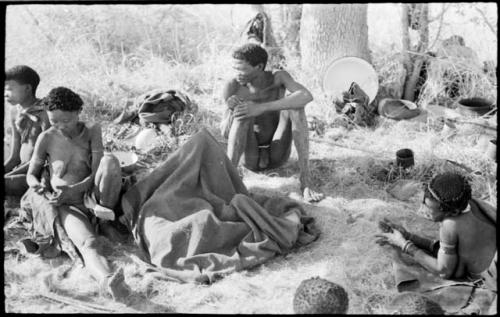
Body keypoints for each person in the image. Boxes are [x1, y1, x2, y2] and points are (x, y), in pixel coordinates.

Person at [22, 87, 130, 301]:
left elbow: (96, 170)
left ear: (79, 112)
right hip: (67, 204)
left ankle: (106, 220)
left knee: (110, 161)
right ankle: (108, 281)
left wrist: (78, 188)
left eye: (67, 121)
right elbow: (30, 175)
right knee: (89, 244)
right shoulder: (47, 138)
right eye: (54, 122)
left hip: (95, 195)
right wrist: (37, 186)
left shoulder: (92, 130)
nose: (61, 127)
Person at [220, 43, 323, 202]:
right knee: (243, 111)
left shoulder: (278, 77)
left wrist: (262, 107)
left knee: (296, 107)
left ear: (259, 67)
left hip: (277, 151)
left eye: (242, 69)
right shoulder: (232, 86)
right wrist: (230, 110)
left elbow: (306, 95)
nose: (237, 73)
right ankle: (230, 181)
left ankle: (306, 181)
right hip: (249, 156)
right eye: (235, 68)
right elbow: (225, 133)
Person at [375, 172, 496, 285]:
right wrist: (408, 236)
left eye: (429, 208)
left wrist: (404, 245)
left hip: (488, 279)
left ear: (453, 212)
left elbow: (443, 271)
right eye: (424, 203)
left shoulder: (450, 224)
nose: (424, 210)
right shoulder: (474, 203)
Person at [4, 65, 50, 197]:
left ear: (28, 88)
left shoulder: (44, 112)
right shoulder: (14, 112)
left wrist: (10, 175)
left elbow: (43, 157)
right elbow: (14, 157)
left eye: (10, 89)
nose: (5, 94)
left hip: (38, 172)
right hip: (20, 169)